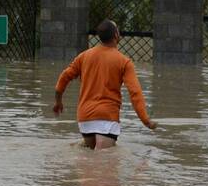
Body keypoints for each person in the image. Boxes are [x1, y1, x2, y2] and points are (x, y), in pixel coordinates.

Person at [53, 19, 157, 149]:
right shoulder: (124, 62)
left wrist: (58, 101)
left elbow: (64, 77)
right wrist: (145, 120)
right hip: (107, 119)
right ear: (116, 35)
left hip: (85, 119)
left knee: (90, 160)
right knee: (103, 163)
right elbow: (135, 93)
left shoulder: (84, 56)